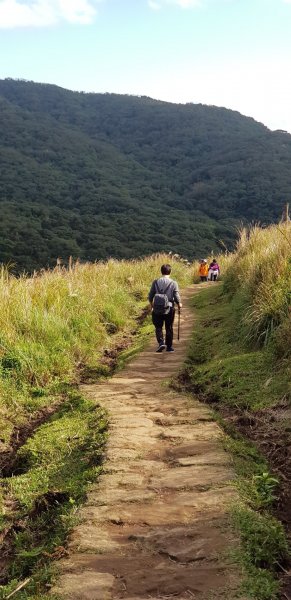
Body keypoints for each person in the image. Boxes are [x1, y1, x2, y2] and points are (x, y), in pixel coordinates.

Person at [148, 264, 182, 352]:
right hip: (169, 308)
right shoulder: (173, 283)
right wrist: (179, 303)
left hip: (157, 308)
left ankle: (161, 342)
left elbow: (150, 296)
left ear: (161, 271)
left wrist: (152, 306)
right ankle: (169, 347)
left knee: (158, 326)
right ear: (170, 272)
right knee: (169, 327)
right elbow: (176, 295)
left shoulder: (155, 282)